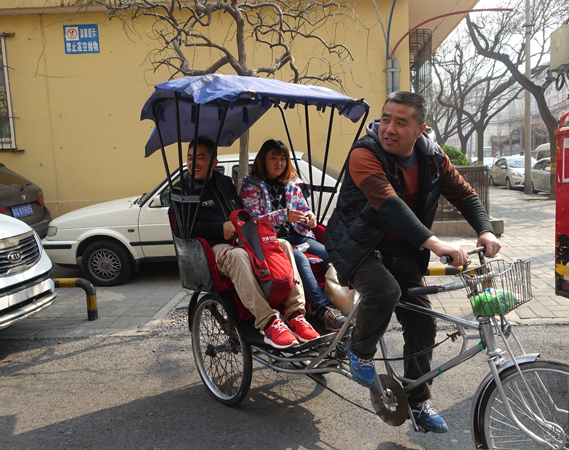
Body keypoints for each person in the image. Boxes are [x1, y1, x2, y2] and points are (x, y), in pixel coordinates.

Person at [325, 92, 501, 433]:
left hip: (402, 251)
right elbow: (389, 205)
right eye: (386, 118)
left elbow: (464, 194)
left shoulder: (433, 158)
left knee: (423, 323)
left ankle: (418, 400)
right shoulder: (364, 153)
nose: (388, 128)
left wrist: (486, 230)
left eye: (400, 122)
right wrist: (435, 243)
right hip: (356, 245)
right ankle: (359, 349)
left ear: (421, 128)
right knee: (383, 291)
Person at [184, 137, 320, 349]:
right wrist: (219, 228)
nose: (194, 163)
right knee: (239, 256)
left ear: (214, 162)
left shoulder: (224, 183)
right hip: (212, 247)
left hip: (242, 238)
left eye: (200, 158)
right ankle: (268, 322)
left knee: (282, 244)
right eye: (190, 158)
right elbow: (182, 230)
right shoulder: (182, 190)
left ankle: (295, 314)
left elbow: (244, 214)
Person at [240, 139, 346, 332]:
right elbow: (252, 220)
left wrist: (310, 218)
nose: (279, 163)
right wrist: (283, 215)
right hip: (271, 242)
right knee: (298, 258)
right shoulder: (250, 186)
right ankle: (324, 311)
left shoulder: (292, 183)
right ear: (263, 160)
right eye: (274, 158)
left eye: (283, 158)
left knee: (332, 255)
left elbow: (304, 209)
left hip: (298, 235)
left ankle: (351, 301)